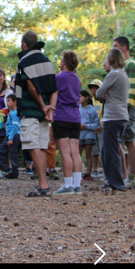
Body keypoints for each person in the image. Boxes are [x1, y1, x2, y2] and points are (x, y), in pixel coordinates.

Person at [15, 31, 58, 198]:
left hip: (31, 111)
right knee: (40, 146)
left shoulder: (24, 62)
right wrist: (50, 110)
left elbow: (32, 88)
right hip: (44, 114)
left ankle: (43, 185)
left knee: (33, 146)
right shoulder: (47, 62)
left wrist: (42, 106)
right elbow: (54, 88)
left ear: (24, 45)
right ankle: (43, 184)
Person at [96, 48, 130, 193]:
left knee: (111, 151)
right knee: (107, 149)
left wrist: (104, 95)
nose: (105, 63)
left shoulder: (113, 74)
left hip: (113, 116)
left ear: (113, 60)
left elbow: (98, 93)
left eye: (106, 59)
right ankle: (111, 180)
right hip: (122, 116)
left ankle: (116, 183)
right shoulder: (124, 75)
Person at [52, 50, 83, 196]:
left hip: (62, 115)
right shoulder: (76, 78)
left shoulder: (58, 77)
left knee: (64, 152)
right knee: (75, 151)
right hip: (76, 117)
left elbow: (52, 94)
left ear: (63, 62)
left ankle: (67, 184)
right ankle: (77, 185)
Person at [113, 37, 135, 187]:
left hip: (129, 108)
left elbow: (133, 88)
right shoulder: (121, 67)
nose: (113, 49)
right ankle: (125, 174)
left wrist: (128, 106)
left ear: (124, 47)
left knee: (130, 140)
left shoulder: (131, 64)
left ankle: (132, 176)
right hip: (122, 108)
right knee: (124, 141)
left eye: (115, 46)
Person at [0, 93, 21, 179]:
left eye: (9, 101)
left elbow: (16, 126)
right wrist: (6, 124)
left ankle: (14, 173)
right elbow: (12, 123)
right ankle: (7, 170)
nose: (7, 103)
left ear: (15, 102)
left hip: (13, 136)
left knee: (13, 155)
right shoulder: (11, 112)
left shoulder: (15, 113)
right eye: (6, 101)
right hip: (9, 135)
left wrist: (10, 138)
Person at [78, 90, 100, 181]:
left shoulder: (92, 110)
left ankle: (88, 174)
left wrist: (85, 126)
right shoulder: (77, 108)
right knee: (77, 154)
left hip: (89, 135)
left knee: (88, 154)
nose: (78, 98)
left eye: (81, 96)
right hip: (79, 134)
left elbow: (97, 125)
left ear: (86, 98)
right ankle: (77, 173)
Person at [87, 79, 104, 177]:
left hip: (101, 128)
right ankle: (95, 169)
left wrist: (99, 124)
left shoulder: (102, 101)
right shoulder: (90, 101)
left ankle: (104, 168)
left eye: (95, 88)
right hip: (92, 129)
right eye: (92, 88)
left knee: (103, 149)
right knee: (94, 150)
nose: (93, 90)